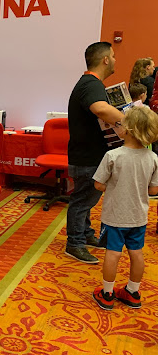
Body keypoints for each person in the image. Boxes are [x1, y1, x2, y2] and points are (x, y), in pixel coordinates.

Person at [91, 106, 158, 310]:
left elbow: (98, 184)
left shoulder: (113, 155)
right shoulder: (153, 158)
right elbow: (153, 190)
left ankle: (108, 293)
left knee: (113, 253)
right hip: (139, 216)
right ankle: (132, 291)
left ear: (127, 130)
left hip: (115, 216)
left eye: (119, 124)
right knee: (136, 253)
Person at [66, 41, 124, 263]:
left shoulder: (90, 83)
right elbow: (100, 108)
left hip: (89, 154)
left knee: (87, 200)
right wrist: (132, 121)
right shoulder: (91, 84)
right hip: (87, 156)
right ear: (105, 59)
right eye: (114, 55)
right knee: (82, 201)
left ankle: (86, 235)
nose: (116, 60)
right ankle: (75, 243)